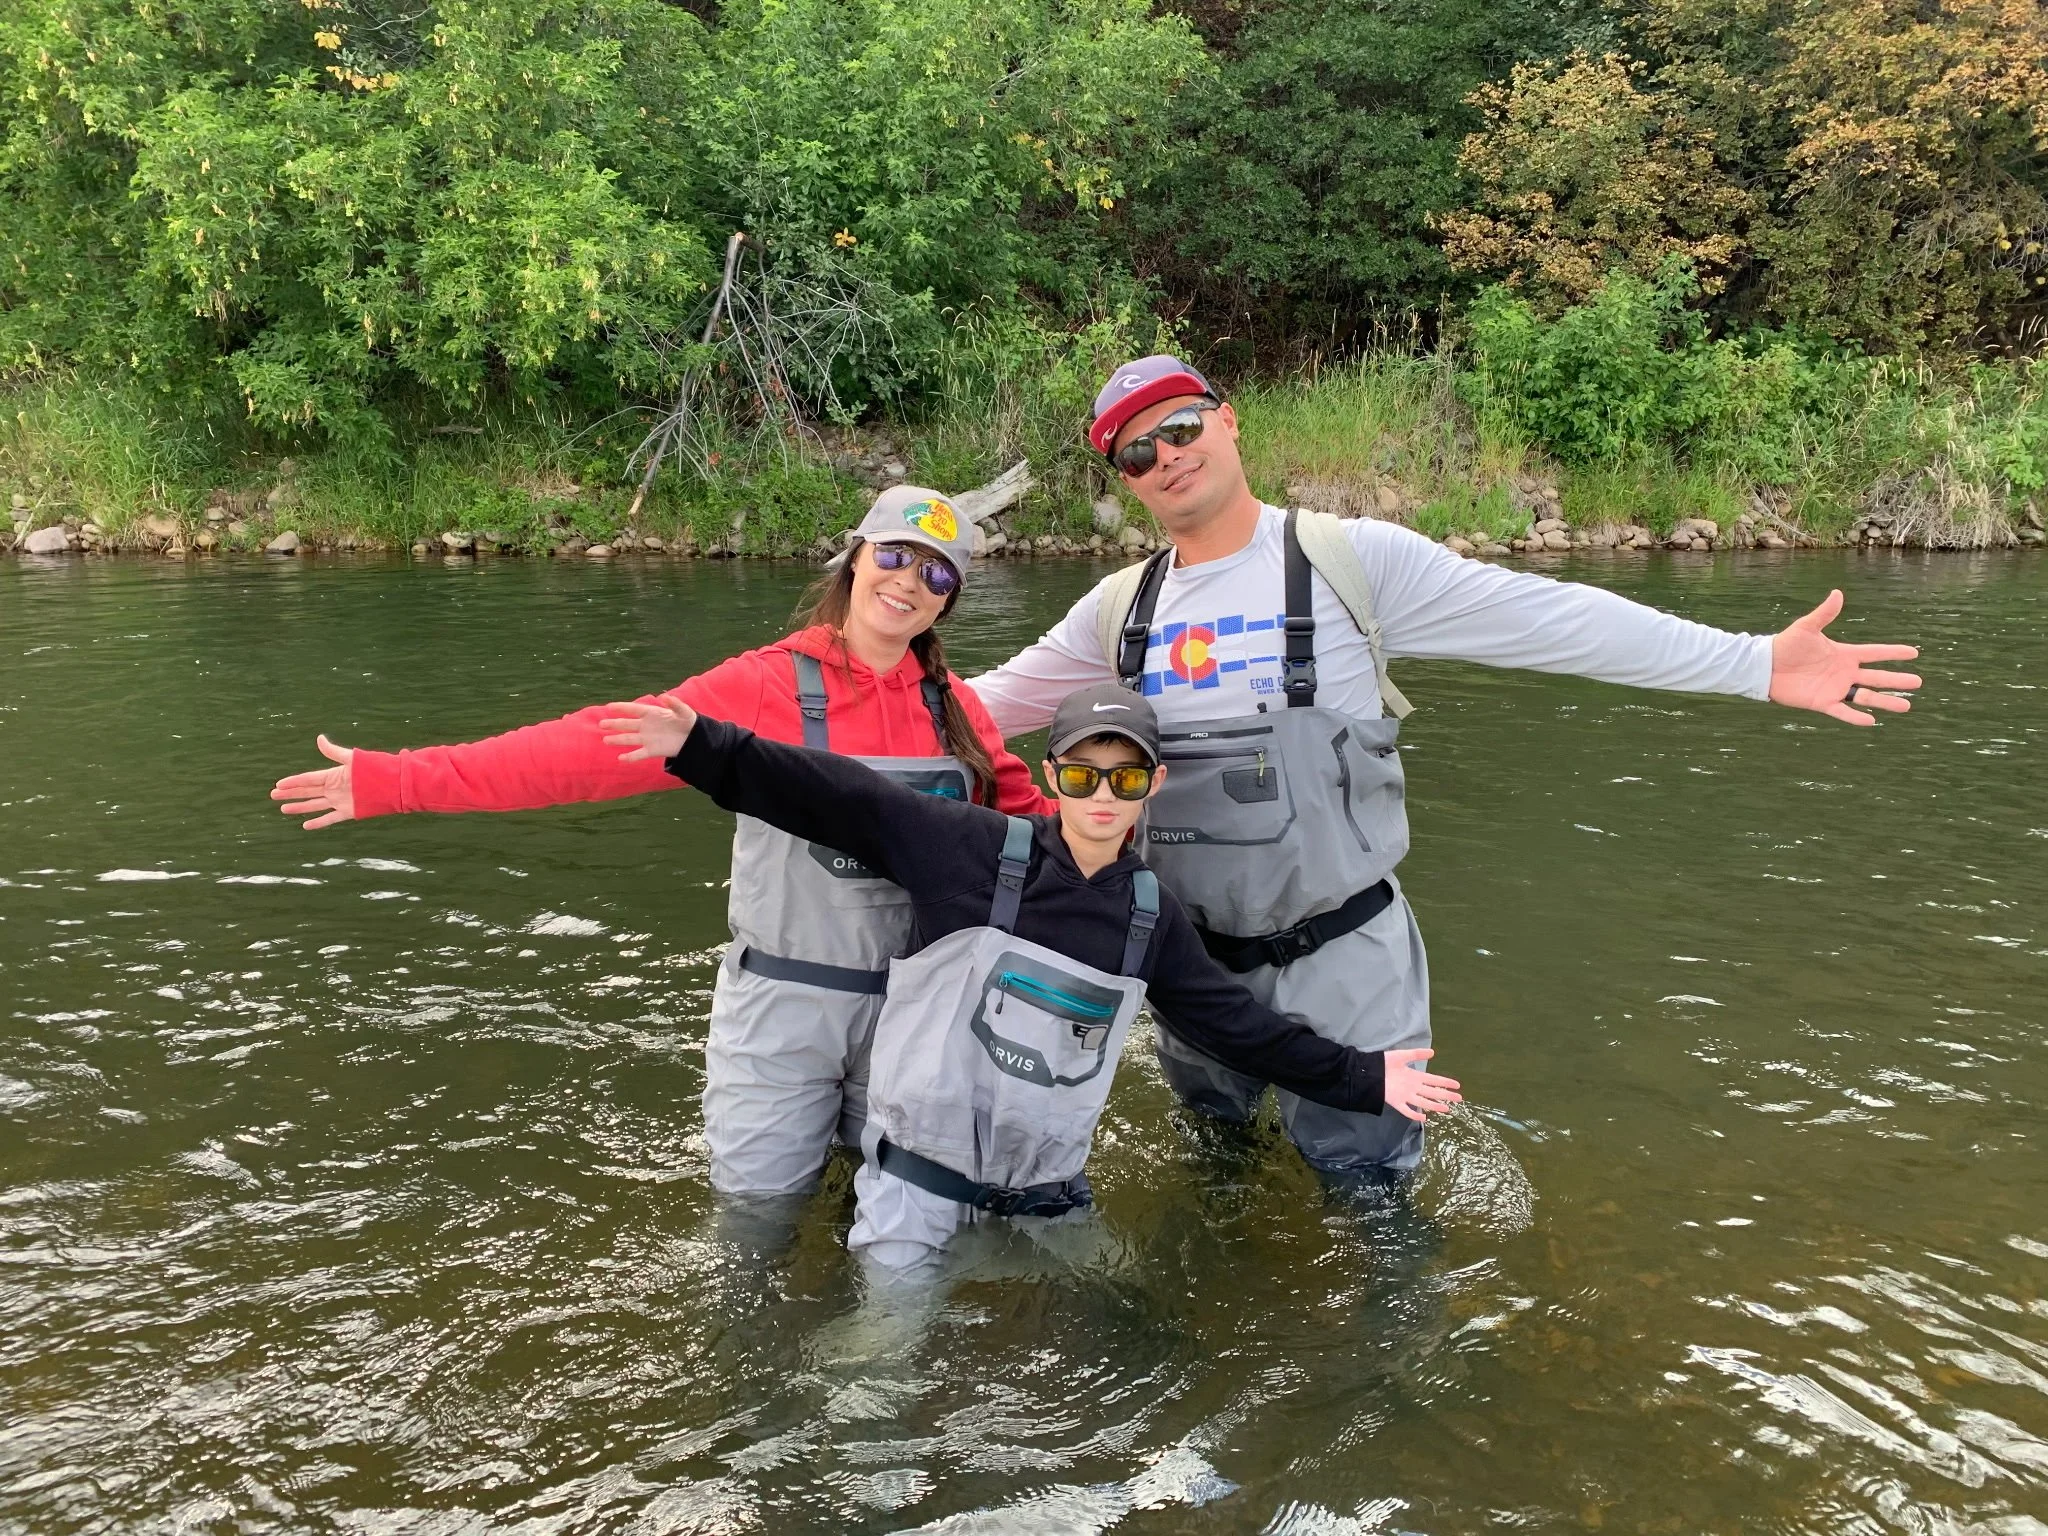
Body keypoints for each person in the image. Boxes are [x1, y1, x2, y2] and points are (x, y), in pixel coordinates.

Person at [966, 354, 1925, 1180]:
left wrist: (1753, 664)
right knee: (1215, 1160)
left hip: (1340, 960)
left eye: (1179, 426)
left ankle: (1386, 1374)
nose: (1166, 455)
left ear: (1227, 421)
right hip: (1191, 968)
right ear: (1126, 479)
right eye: (1136, 451)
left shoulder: (1350, 562)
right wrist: (820, 693)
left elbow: (1557, 621)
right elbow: (973, 708)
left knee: (1369, 1191)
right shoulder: (1115, 611)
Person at [270, 486, 1048, 1201]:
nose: (909, 582)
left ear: (948, 603)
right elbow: (586, 753)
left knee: (895, 1219)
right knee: (756, 1227)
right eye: (893, 555)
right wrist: (399, 782)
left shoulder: (959, 714)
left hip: (914, 1018)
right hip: (782, 1018)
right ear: (854, 560)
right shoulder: (765, 686)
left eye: (937, 574)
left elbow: (1042, 835)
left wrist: (1121, 814)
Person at [598, 681, 1463, 1271]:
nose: (1101, 793)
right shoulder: (964, 848)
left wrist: (1364, 1078)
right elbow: (835, 797)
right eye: (1082, 772)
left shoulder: (1148, 915)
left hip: (1048, 1200)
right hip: (914, 1194)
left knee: (1142, 1341)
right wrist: (702, 746)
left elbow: (1231, 1024)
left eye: (1124, 777)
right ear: (1051, 776)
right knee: (876, 1382)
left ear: (1151, 787)